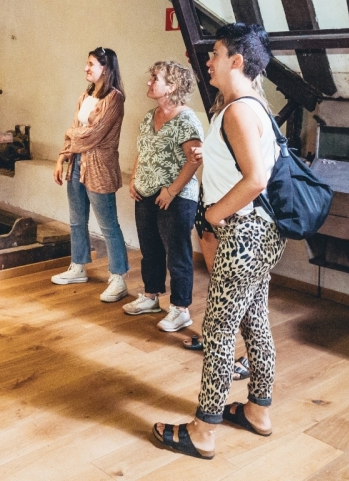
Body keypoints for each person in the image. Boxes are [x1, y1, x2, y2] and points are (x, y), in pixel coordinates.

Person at [153, 23, 286, 460]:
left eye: (215, 53)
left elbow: (255, 179)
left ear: (237, 61)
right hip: (260, 232)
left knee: (218, 329)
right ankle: (258, 409)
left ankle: (204, 428)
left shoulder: (238, 111)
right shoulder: (252, 106)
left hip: (242, 233)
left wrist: (211, 214)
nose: (208, 61)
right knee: (253, 321)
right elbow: (242, 167)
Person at [124, 61, 203, 332]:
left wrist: (171, 191)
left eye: (154, 78)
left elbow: (194, 160)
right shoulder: (150, 116)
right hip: (146, 193)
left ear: (172, 86)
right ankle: (151, 296)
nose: (148, 82)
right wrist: (134, 179)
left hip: (177, 197)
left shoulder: (186, 119)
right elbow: (142, 152)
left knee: (177, 254)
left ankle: (180, 309)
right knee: (150, 250)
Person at [52, 47, 130, 302]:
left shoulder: (115, 99)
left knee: (109, 225)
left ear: (105, 68)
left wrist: (70, 135)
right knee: (76, 220)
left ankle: (118, 278)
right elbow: (78, 129)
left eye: (91, 64)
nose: (86, 68)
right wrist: (61, 158)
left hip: (100, 168)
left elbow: (91, 136)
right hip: (77, 164)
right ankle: (78, 266)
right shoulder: (86, 94)